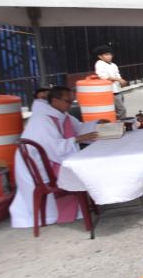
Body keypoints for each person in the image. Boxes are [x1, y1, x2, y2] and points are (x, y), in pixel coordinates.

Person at [9, 86, 99, 229]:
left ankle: (89, 202)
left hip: (50, 159)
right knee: (84, 169)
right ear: (55, 100)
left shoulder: (62, 114)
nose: (70, 104)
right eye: (68, 101)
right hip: (39, 166)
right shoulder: (42, 120)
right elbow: (54, 148)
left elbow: (80, 128)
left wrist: (98, 124)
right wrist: (77, 139)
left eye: (72, 100)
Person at [93, 45, 128, 120]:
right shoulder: (99, 64)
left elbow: (118, 75)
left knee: (119, 110)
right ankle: (122, 125)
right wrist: (118, 80)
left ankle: (120, 125)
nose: (109, 56)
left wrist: (122, 82)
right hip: (110, 92)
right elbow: (103, 77)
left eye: (110, 54)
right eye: (106, 55)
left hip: (118, 90)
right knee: (121, 110)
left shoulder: (113, 65)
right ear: (100, 56)